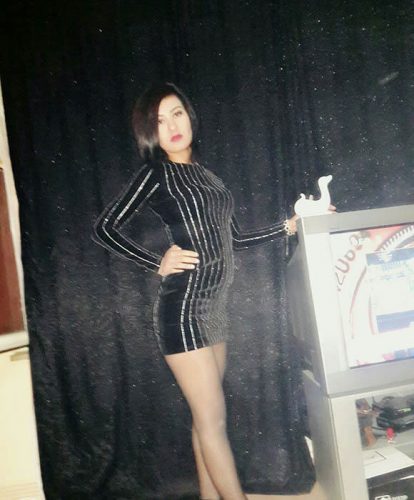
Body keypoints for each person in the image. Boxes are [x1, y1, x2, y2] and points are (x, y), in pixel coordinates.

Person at [93, 82, 299, 500]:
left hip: (214, 310)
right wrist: (156, 261)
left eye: (177, 114)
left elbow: (235, 239)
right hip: (183, 310)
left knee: (205, 420)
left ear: (190, 116)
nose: (171, 126)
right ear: (149, 132)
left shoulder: (210, 178)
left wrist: (287, 227)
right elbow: (105, 227)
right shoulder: (156, 173)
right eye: (159, 121)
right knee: (212, 422)